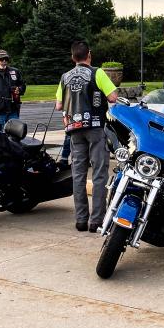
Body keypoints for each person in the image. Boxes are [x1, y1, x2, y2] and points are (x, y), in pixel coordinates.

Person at [55, 41, 119, 232]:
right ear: (89, 55)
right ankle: (96, 220)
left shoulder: (65, 77)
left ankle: (81, 219)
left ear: (72, 57)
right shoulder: (97, 72)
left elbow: (59, 105)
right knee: (99, 173)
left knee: (78, 174)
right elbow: (113, 97)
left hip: (74, 129)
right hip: (96, 127)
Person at [0, 49, 26, 130]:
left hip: (13, 109)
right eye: (1, 59)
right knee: (0, 133)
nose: (4, 61)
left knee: (14, 133)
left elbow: (22, 85)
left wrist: (20, 89)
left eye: (6, 59)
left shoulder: (15, 71)